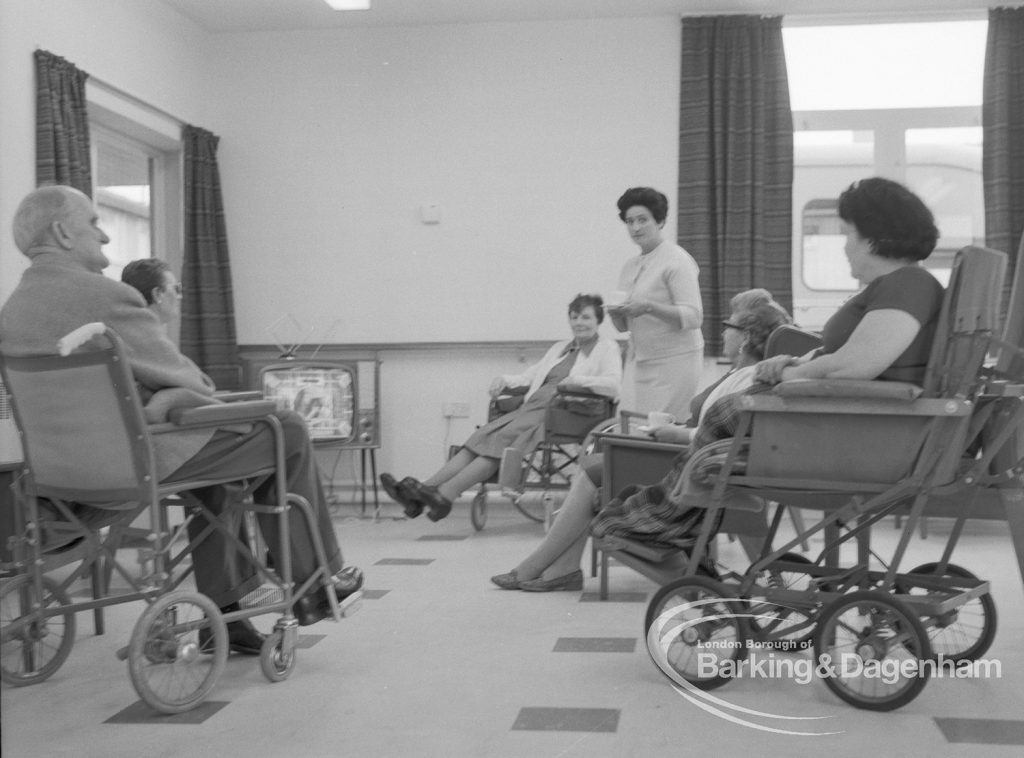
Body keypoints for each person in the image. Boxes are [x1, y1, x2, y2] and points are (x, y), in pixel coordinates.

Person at [0, 186, 362, 655]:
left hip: (64, 475)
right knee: (286, 428)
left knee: (215, 467)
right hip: (140, 460)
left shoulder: (13, 311)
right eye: (93, 222)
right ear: (63, 233)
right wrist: (174, 393)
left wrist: (167, 395)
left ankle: (226, 617)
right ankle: (317, 579)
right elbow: (195, 383)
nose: (105, 235)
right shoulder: (106, 297)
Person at [491, 288, 792, 591]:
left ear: (746, 338)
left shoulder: (748, 379)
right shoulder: (737, 374)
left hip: (690, 463)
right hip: (689, 453)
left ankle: (543, 568)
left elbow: (720, 435)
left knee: (592, 471)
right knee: (594, 470)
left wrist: (677, 433)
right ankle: (559, 569)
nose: (723, 332)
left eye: (729, 327)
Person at [380, 294, 622, 521]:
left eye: (586, 317)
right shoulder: (560, 348)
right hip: (537, 407)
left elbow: (613, 386)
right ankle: (420, 494)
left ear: (598, 320)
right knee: (482, 437)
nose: (579, 322)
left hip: (570, 411)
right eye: (574, 316)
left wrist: (578, 381)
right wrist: (504, 380)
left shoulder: (607, 348)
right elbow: (531, 376)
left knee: (501, 443)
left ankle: (444, 495)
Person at [754, 177, 942, 388]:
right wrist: (791, 363)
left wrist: (784, 375)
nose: (844, 248)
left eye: (846, 234)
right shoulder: (900, 284)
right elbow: (842, 356)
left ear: (872, 239)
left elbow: (853, 366)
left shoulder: (909, 284)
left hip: (853, 415)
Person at [605, 187, 703, 421]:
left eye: (642, 220)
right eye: (630, 221)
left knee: (660, 429)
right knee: (632, 425)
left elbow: (694, 317)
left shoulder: (677, 260)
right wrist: (616, 313)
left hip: (675, 361)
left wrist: (649, 307)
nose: (635, 228)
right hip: (640, 359)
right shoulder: (630, 266)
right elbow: (624, 327)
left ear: (660, 221)